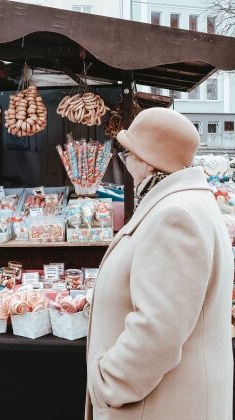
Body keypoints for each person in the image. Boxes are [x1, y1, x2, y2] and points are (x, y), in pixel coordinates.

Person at [86, 108, 233, 420]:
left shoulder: (174, 215)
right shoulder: (184, 203)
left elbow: (158, 330)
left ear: (148, 159)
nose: (125, 162)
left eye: (128, 153)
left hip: (156, 406)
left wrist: (108, 384)